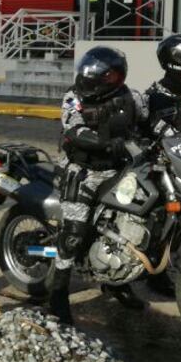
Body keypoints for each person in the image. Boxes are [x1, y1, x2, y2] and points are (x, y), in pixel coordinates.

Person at [51, 47, 149, 323]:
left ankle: (118, 281)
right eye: (90, 70)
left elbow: (148, 121)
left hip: (119, 169)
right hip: (83, 171)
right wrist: (104, 143)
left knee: (129, 225)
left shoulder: (132, 97)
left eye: (103, 74)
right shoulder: (74, 97)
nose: (92, 76)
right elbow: (74, 128)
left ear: (115, 77)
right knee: (73, 233)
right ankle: (58, 292)